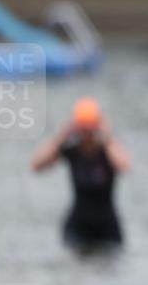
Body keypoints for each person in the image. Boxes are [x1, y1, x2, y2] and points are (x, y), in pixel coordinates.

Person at [31, 97, 131, 251]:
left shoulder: (108, 152)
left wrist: (108, 138)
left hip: (108, 225)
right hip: (78, 225)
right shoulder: (72, 151)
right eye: (83, 130)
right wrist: (60, 137)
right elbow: (36, 165)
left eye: (90, 129)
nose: (87, 135)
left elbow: (125, 166)